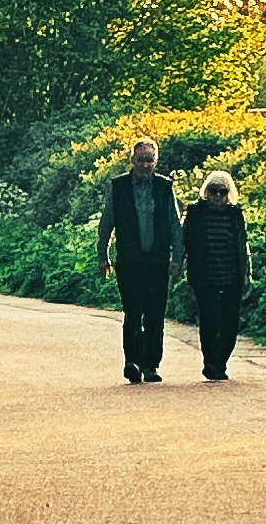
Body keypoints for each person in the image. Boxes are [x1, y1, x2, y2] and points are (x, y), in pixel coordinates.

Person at [94, 136, 183, 382]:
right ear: (132, 160)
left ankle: (151, 365)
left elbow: (175, 224)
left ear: (156, 162)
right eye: (141, 159)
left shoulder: (165, 187)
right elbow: (107, 223)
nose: (145, 165)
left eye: (150, 160)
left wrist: (178, 257)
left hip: (157, 261)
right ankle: (132, 361)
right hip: (129, 262)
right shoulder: (119, 186)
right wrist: (103, 256)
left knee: (155, 314)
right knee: (133, 312)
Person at [182, 167, 251, 379]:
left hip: (232, 276)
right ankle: (210, 363)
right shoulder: (195, 212)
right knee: (209, 321)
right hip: (204, 276)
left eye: (222, 191)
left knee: (230, 323)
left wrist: (247, 273)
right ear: (206, 191)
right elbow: (184, 241)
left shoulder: (235, 214)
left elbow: (243, 245)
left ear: (229, 192)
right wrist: (177, 263)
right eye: (214, 191)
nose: (218, 196)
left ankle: (221, 362)